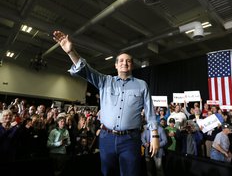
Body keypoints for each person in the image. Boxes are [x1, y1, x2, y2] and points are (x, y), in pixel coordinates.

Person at [53, 31, 159, 176]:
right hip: (107, 138)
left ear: (132, 65)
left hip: (130, 140)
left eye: (128, 61)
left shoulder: (142, 85)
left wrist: (154, 136)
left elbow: (150, 112)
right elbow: (86, 70)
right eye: (121, 60)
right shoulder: (105, 81)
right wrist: (71, 52)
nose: (124, 63)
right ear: (116, 65)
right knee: (107, 173)